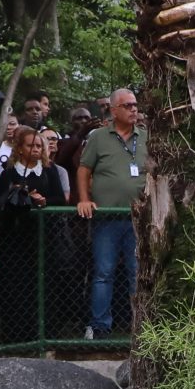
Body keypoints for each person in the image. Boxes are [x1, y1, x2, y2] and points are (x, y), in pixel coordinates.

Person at [0, 126, 70, 346]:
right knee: (16, 286)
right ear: (20, 148)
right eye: (31, 145)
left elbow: (60, 199)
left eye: (39, 145)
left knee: (46, 285)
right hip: (15, 239)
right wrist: (18, 194)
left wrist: (43, 201)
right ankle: (17, 337)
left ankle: (46, 334)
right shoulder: (9, 172)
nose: (36, 149)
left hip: (43, 239)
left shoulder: (49, 171)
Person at [75, 88, 144, 340]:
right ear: (114, 111)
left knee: (138, 273)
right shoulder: (99, 137)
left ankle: (142, 328)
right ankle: (100, 327)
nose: (133, 109)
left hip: (139, 219)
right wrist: (84, 199)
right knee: (104, 273)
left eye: (135, 105)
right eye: (127, 105)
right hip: (107, 218)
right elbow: (84, 170)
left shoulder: (146, 137)